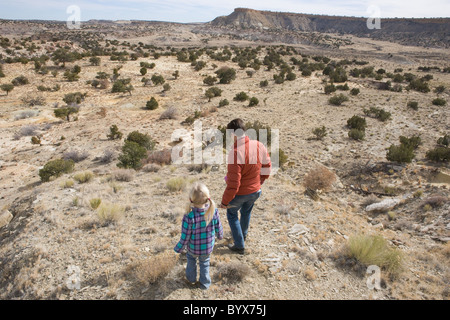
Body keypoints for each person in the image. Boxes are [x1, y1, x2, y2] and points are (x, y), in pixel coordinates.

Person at [220, 118, 272, 254]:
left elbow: (234, 184)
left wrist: (225, 201)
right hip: (255, 191)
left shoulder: (235, 152)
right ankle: (242, 236)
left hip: (241, 193)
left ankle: (239, 245)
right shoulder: (259, 145)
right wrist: (260, 181)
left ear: (232, 134)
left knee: (231, 214)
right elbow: (267, 166)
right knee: (246, 212)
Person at [174, 182, 223, 290]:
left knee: (191, 261)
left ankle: (191, 279)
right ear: (207, 198)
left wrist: (178, 248)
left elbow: (185, 237)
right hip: (207, 247)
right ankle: (205, 284)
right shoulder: (213, 211)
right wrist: (220, 236)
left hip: (193, 249)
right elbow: (218, 226)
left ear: (191, 199)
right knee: (205, 263)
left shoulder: (189, 216)